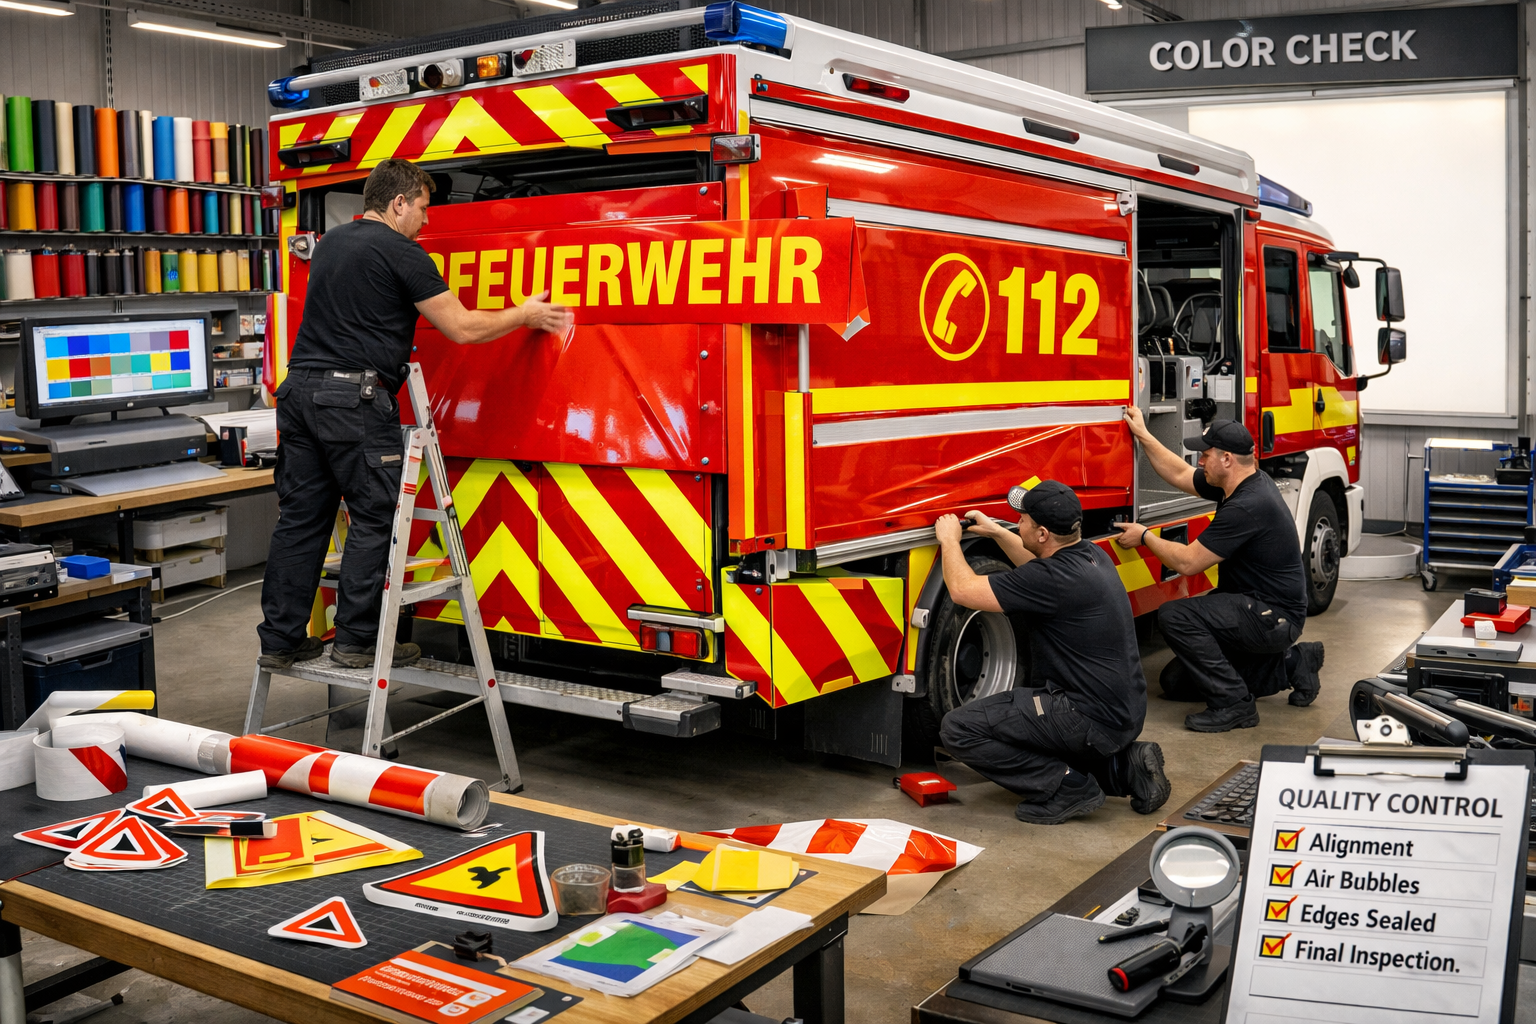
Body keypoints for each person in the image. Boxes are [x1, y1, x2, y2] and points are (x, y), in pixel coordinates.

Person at [256, 159, 574, 671]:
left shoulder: (331, 243)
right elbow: (462, 328)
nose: (427, 220)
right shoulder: (402, 252)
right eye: (423, 208)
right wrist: (526, 314)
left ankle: (279, 640)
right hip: (353, 402)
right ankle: (356, 641)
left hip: (299, 394)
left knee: (300, 520)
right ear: (398, 202)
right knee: (374, 517)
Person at [935, 480, 1170, 825]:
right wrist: (997, 533)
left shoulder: (1053, 579)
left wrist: (949, 541)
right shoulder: (1092, 555)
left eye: (1023, 521)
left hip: (1084, 716)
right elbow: (1034, 565)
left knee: (958, 729)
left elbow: (962, 590)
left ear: (1043, 534)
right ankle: (1124, 767)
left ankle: (1067, 786)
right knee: (1032, 724)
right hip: (1121, 713)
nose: (1018, 525)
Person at [1113, 409, 1324, 732]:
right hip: (1254, 606)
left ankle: (1234, 704)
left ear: (1227, 459)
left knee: (1175, 615)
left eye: (1205, 455)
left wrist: (1145, 537)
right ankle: (1293, 665)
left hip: (1273, 617)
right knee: (1175, 683)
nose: (1200, 461)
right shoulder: (1239, 481)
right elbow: (1180, 473)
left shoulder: (1248, 504)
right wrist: (1143, 433)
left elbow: (1188, 562)